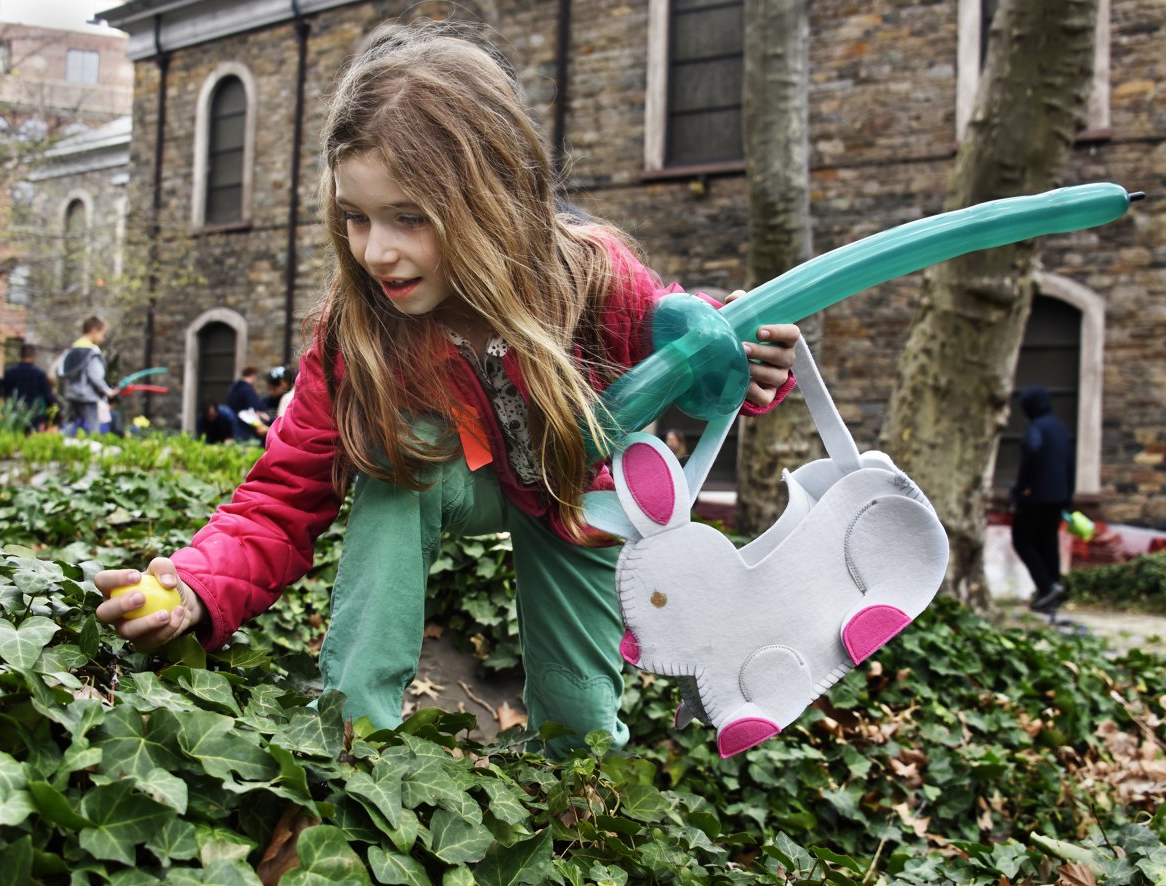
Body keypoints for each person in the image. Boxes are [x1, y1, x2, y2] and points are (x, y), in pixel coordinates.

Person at [94, 22, 798, 757]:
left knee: (580, 715)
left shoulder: (589, 277)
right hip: (454, 478)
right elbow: (283, 490)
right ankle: (354, 730)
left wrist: (743, 359)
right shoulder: (359, 329)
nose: (376, 250)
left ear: (491, 199)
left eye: (408, 218)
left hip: (573, 486)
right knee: (402, 458)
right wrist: (198, 586)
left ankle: (578, 792)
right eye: (355, 218)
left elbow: (684, 347)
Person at [1010, 385, 1075, 613]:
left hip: (1035, 495)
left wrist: (1021, 489)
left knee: (1023, 540)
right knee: (1048, 541)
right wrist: (1068, 497)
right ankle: (1054, 586)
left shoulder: (1036, 427)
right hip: (1058, 496)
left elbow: (1032, 450)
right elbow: (1070, 465)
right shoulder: (1060, 428)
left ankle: (1046, 588)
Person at [59, 316, 115, 435]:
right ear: (94, 331)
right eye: (102, 334)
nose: (103, 338)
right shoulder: (91, 352)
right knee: (91, 428)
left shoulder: (72, 349)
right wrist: (107, 391)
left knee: (69, 426)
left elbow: (61, 371)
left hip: (71, 395)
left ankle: (63, 449)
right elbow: (96, 376)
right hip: (88, 397)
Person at [1, 343, 58, 430]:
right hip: (34, 417)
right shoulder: (39, 374)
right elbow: (48, 397)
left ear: (20, 355)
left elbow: (4, 395)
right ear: (33, 356)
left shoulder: (9, 373)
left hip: (14, 416)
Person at [225, 366, 270, 442]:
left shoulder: (233, 387)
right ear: (253, 376)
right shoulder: (247, 389)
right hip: (246, 425)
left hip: (234, 422)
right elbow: (254, 407)